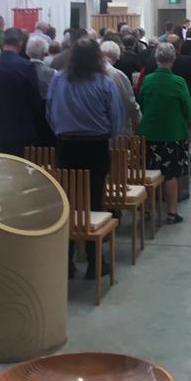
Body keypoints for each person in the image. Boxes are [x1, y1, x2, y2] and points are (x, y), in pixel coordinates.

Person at [47, 39, 124, 279]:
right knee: (94, 201)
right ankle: (94, 261)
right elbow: (116, 118)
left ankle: (66, 261)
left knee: (67, 203)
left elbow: (49, 112)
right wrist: (107, 134)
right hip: (95, 146)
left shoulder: (58, 80)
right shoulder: (104, 82)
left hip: (67, 145)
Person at [138, 42, 191, 224]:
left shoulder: (147, 80)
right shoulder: (178, 82)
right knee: (171, 174)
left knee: (147, 172)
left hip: (149, 132)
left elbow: (142, 103)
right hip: (173, 133)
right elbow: (187, 109)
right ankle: (171, 213)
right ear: (173, 60)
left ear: (156, 59)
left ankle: (146, 210)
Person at [0, 27, 45, 155]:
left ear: (3, 43)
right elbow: (35, 100)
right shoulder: (27, 66)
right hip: (21, 129)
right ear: (20, 43)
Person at [100, 40, 140, 133]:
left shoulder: (91, 71)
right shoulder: (117, 75)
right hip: (118, 125)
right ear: (116, 57)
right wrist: (138, 118)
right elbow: (129, 100)